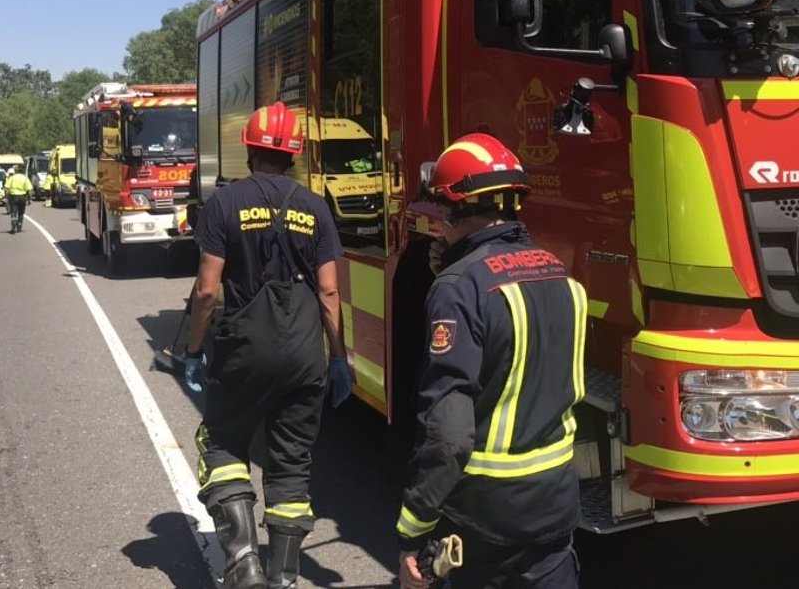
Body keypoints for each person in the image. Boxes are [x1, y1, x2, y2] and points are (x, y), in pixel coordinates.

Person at [396, 134, 587, 589]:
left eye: (442, 210)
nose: (440, 223)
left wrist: (412, 529)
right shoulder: (560, 275)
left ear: (458, 209)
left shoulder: (457, 289)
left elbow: (448, 437)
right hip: (556, 508)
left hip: (486, 519)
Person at [184, 101, 350, 589]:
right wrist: (337, 358)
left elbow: (208, 290)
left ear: (250, 149)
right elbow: (329, 290)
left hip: (244, 352)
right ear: (294, 153)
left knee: (222, 441)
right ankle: (283, 578)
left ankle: (243, 565)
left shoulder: (224, 204)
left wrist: (194, 351)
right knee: (291, 460)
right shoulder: (315, 207)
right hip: (304, 354)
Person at [4, 165, 32, 234]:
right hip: (23, 197)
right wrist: (29, 199)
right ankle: (19, 227)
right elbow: (30, 190)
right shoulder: (25, 178)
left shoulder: (12, 178)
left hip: (13, 197)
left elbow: (6, 189)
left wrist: (7, 197)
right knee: (21, 213)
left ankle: (13, 224)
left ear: (16, 171)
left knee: (13, 212)